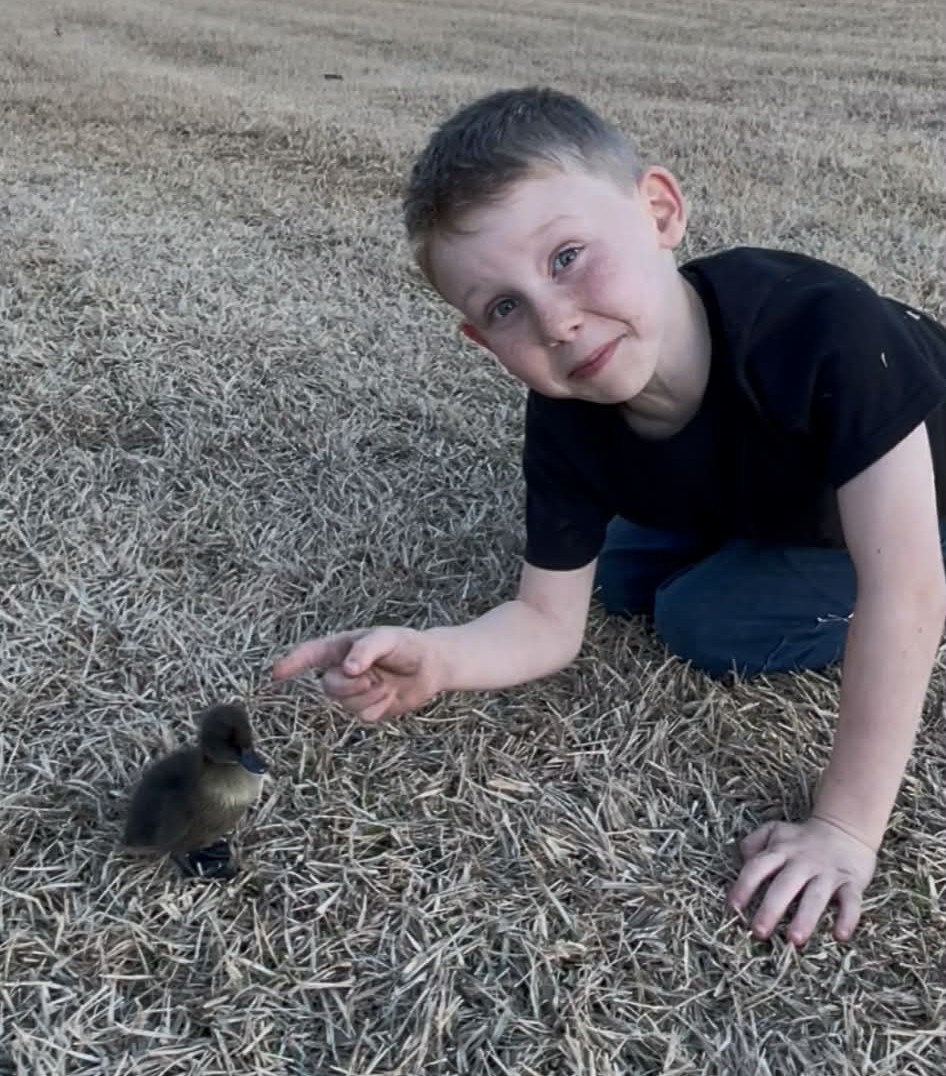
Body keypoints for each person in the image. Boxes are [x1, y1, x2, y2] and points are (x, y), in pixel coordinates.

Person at [273, 87, 946, 947]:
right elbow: (545, 622)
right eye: (505, 309)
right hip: (763, 493)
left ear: (659, 212)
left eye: (567, 257)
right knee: (621, 576)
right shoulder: (567, 412)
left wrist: (845, 832)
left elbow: (904, 590)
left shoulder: (821, 331)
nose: (556, 322)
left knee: (707, 617)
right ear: (482, 341)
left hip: (907, 502)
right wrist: (437, 656)